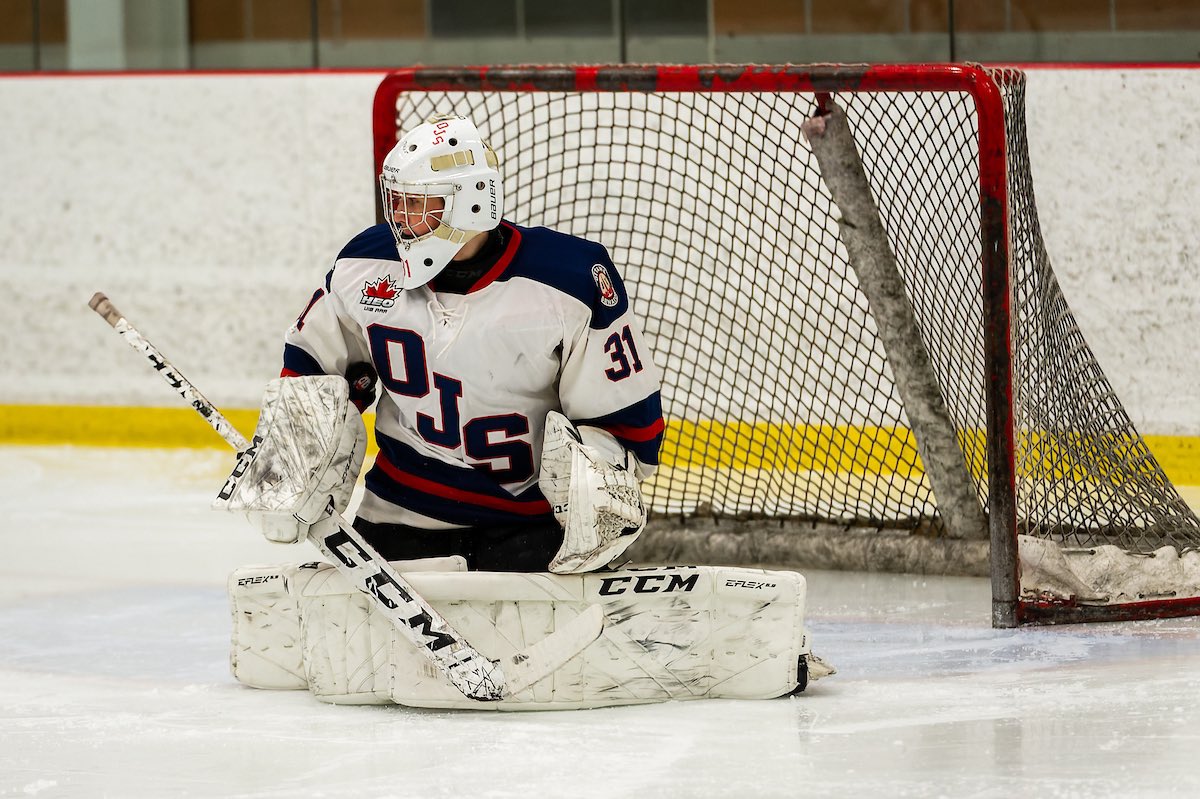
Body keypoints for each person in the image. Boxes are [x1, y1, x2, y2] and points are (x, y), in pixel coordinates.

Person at [227, 113, 664, 574]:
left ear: (470, 203)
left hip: (530, 527)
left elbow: (625, 424)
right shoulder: (365, 263)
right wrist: (290, 453)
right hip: (398, 514)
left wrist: (595, 491)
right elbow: (312, 372)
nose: (400, 218)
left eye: (418, 205)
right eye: (397, 202)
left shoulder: (569, 280)